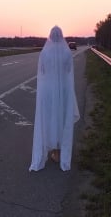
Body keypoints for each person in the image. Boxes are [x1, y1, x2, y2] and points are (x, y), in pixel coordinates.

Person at [29, 26, 80, 172]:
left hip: (48, 91)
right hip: (63, 89)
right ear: (62, 36)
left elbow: (43, 71)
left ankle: (53, 150)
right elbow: (69, 70)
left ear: (50, 36)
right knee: (61, 118)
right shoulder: (66, 52)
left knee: (50, 119)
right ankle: (59, 151)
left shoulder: (45, 52)